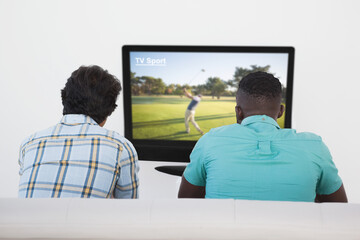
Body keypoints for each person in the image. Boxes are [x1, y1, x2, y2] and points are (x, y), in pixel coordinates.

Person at [178, 71, 347, 203]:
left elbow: (186, 203)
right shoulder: (315, 146)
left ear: (238, 111)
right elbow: (338, 211)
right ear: (281, 111)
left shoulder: (210, 140)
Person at [18, 65, 139, 198]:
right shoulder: (121, 147)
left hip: (21, 219)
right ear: (109, 111)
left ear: (64, 98)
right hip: (84, 219)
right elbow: (129, 210)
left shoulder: (29, 143)